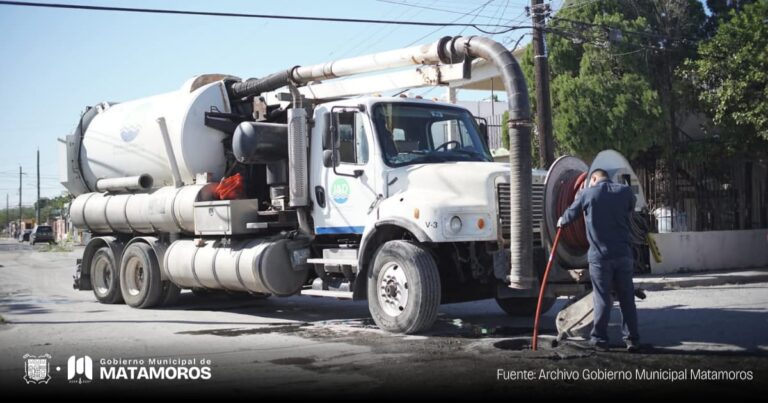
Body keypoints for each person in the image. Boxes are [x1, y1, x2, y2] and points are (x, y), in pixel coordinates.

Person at [557, 169, 640, 352]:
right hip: (623, 255)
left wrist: (561, 221)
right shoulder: (625, 192)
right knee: (627, 299)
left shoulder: (588, 193)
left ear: (593, 178)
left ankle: (600, 340)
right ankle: (632, 340)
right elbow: (631, 208)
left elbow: (570, 215)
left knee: (602, 298)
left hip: (600, 257)